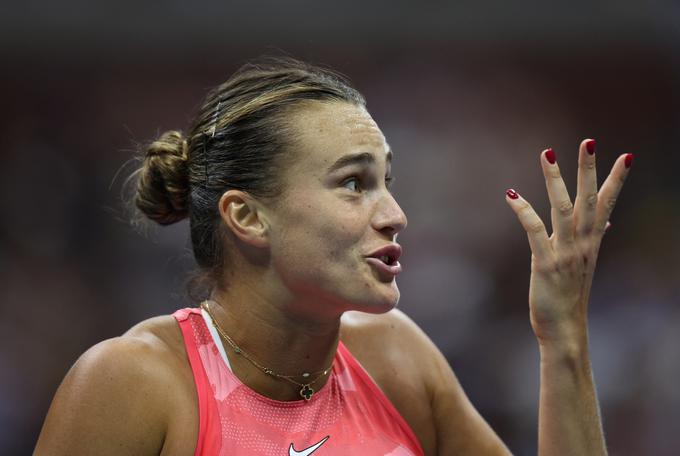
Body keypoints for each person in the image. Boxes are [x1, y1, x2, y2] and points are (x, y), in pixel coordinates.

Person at [34, 57, 632, 455]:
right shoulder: (132, 384)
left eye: (386, 182)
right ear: (247, 216)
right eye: (353, 183)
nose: (394, 214)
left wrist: (563, 341)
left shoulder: (396, 360)